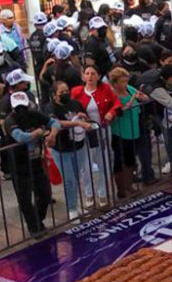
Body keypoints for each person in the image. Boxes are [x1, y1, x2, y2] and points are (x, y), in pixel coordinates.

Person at [2, 91, 55, 237]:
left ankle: (39, 220)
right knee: (25, 199)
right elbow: (20, 137)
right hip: (18, 165)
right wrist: (38, 133)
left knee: (44, 194)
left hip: (36, 162)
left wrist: (52, 133)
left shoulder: (35, 114)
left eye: (23, 106)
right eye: (17, 107)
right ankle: (34, 227)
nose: (21, 110)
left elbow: (53, 122)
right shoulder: (10, 120)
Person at [44, 81, 95, 219]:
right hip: (62, 149)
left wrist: (83, 117)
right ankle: (72, 208)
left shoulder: (75, 103)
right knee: (69, 179)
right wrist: (77, 122)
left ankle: (76, 204)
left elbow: (85, 117)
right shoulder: (50, 108)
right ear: (54, 95)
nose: (66, 94)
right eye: (61, 92)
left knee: (76, 176)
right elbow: (57, 123)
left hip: (78, 146)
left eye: (67, 90)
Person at [70, 66, 116, 202]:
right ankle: (89, 194)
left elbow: (116, 103)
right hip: (85, 133)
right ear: (83, 76)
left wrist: (111, 113)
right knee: (86, 165)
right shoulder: (76, 92)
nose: (90, 76)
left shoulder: (106, 89)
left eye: (93, 73)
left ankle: (103, 193)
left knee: (104, 161)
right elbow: (70, 108)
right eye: (87, 73)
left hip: (102, 130)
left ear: (98, 76)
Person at [107, 67, 143, 197]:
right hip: (120, 132)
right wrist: (124, 107)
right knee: (120, 162)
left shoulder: (130, 89)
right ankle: (121, 189)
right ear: (115, 83)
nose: (124, 85)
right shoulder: (112, 94)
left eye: (126, 81)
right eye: (122, 82)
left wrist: (141, 96)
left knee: (131, 161)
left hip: (134, 130)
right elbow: (113, 113)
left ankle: (129, 185)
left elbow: (144, 97)